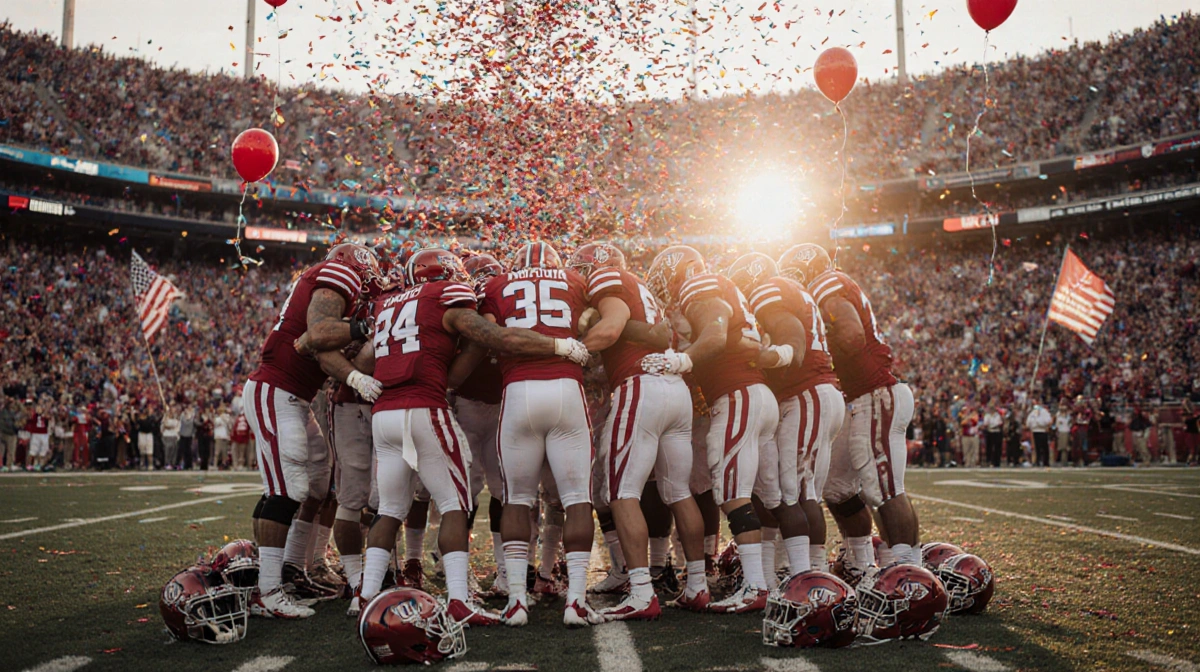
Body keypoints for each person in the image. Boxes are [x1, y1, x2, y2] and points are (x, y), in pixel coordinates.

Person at [346, 247, 590, 627]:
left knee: (391, 508)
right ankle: (459, 599)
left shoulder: (388, 303)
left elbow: (364, 361)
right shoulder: (446, 296)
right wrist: (448, 378)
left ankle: (363, 597)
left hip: (385, 414)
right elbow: (488, 335)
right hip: (426, 406)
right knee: (456, 503)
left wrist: (368, 380)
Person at [243, 243, 384, 619]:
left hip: (295, 397)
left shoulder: (332, 280)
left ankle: (289, 570)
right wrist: (366, 327)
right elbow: (320, 331)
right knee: (288, 488)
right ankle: (267, 591)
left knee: (319, 483)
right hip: (276, 391)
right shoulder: (340, 274)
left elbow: (319, 340)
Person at [571, 243, 709, 620]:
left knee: (620, 492)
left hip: (640, 386)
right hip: (673, 388)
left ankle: (641, 593)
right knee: (678, 491)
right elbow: (653, 333)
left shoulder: (608, 278)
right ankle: (698, 586)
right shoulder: (643, 288)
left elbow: (613, 327)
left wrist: (573, 352)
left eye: (581, 269)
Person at [471, 242, 604, 627]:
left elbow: (488, 335)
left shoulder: (496, 284)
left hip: (518, 391)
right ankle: (576, 602)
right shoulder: (576, 280)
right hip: (566, 388)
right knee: (577, 497)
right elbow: (593, 322)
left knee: (517, 498)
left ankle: (515, 601)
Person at [644, 245, 777, 612]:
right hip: (755, 393)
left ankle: (755, 587)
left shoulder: (700, 286)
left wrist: (680, 359)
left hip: (736, 394)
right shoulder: (725, 288)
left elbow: (717, 336)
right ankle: (773, 578)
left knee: (733, 492)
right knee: (765, 495)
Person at [778, 243, 919, 572]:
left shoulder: (827, 285)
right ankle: (865, 562)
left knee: (885, 489)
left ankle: (908, 572)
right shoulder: (831, 285)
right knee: (838, 488)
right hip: (863, 397)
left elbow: (852, 336)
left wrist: (822, 353)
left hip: (875, 394)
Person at [731, 252, 844, 585]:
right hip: (818, 394)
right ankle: (810, 575)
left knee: (789, 495)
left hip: (805, 394)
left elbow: (791, 339)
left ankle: (806, 581)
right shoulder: (795, 291)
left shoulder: (770, 290)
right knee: (805, 493)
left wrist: (761, 357)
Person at [25, 403, 50, 471]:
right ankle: (29, 464)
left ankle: (39, 464)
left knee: (43, 450)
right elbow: (29, 416)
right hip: (36, 434)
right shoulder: (34, 416)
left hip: (44, 434)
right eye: (37, 408)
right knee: (33, 450)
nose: (39, 410)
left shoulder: (44, 415)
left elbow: (47, 415)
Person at [1026, 402, 1052, 467]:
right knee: (1037, 448)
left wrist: (1039, 423)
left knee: (1044, 447)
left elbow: (1048, 421)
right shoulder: (1032, 413)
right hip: (1035, 431)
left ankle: (1046, 462)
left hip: (1043, 432)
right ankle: (1038, 461)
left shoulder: (1045, 412)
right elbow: (1028, 423)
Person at [983, 402, 1003, 468]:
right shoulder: (987, 415)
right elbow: (985, 424)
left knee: (997, 448)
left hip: (996, 432)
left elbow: (999, 424)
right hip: (989, 432)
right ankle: (989, 461)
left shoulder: (998, 415)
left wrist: (992, 425)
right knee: (989, 447)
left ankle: (997, 462)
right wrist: (991, 426)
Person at [0, 399, 18, 471]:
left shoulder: (2, 412)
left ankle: (2, 465)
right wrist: (15, 429)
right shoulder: (8, 413)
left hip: (2, 433)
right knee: (10, 450)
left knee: (2, 450)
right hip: (9, 433)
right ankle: (9, 465)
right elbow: (10, 424)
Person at [212, 405, 232, 470]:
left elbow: (229, 425)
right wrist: (221, 418)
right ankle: (215, 465)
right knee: (217, 452)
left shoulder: (227, 417)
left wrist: (224, 418)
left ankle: (225, 466)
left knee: (225, 453)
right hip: (218, 437)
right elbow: (215, 423)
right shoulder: (217, 418)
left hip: (225, 437)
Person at [1054, 401, 1072, 466]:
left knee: (1066, 447)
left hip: (1067, 431)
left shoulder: (1068, 416)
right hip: (1061, 432)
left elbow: (1070, 424)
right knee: (1061, 447)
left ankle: (1065, 461)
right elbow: (1057, 425)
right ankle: (1062, 460)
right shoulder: (1058, 415)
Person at [178, 405, 196, 471]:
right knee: (183, 451)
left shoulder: (193, 415)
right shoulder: (182, 415)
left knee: (189, 451)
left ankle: (190, 465)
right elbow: (184, 422)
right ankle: (184, 464)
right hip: (183, 435)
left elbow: (192, 424)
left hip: (189, 435)